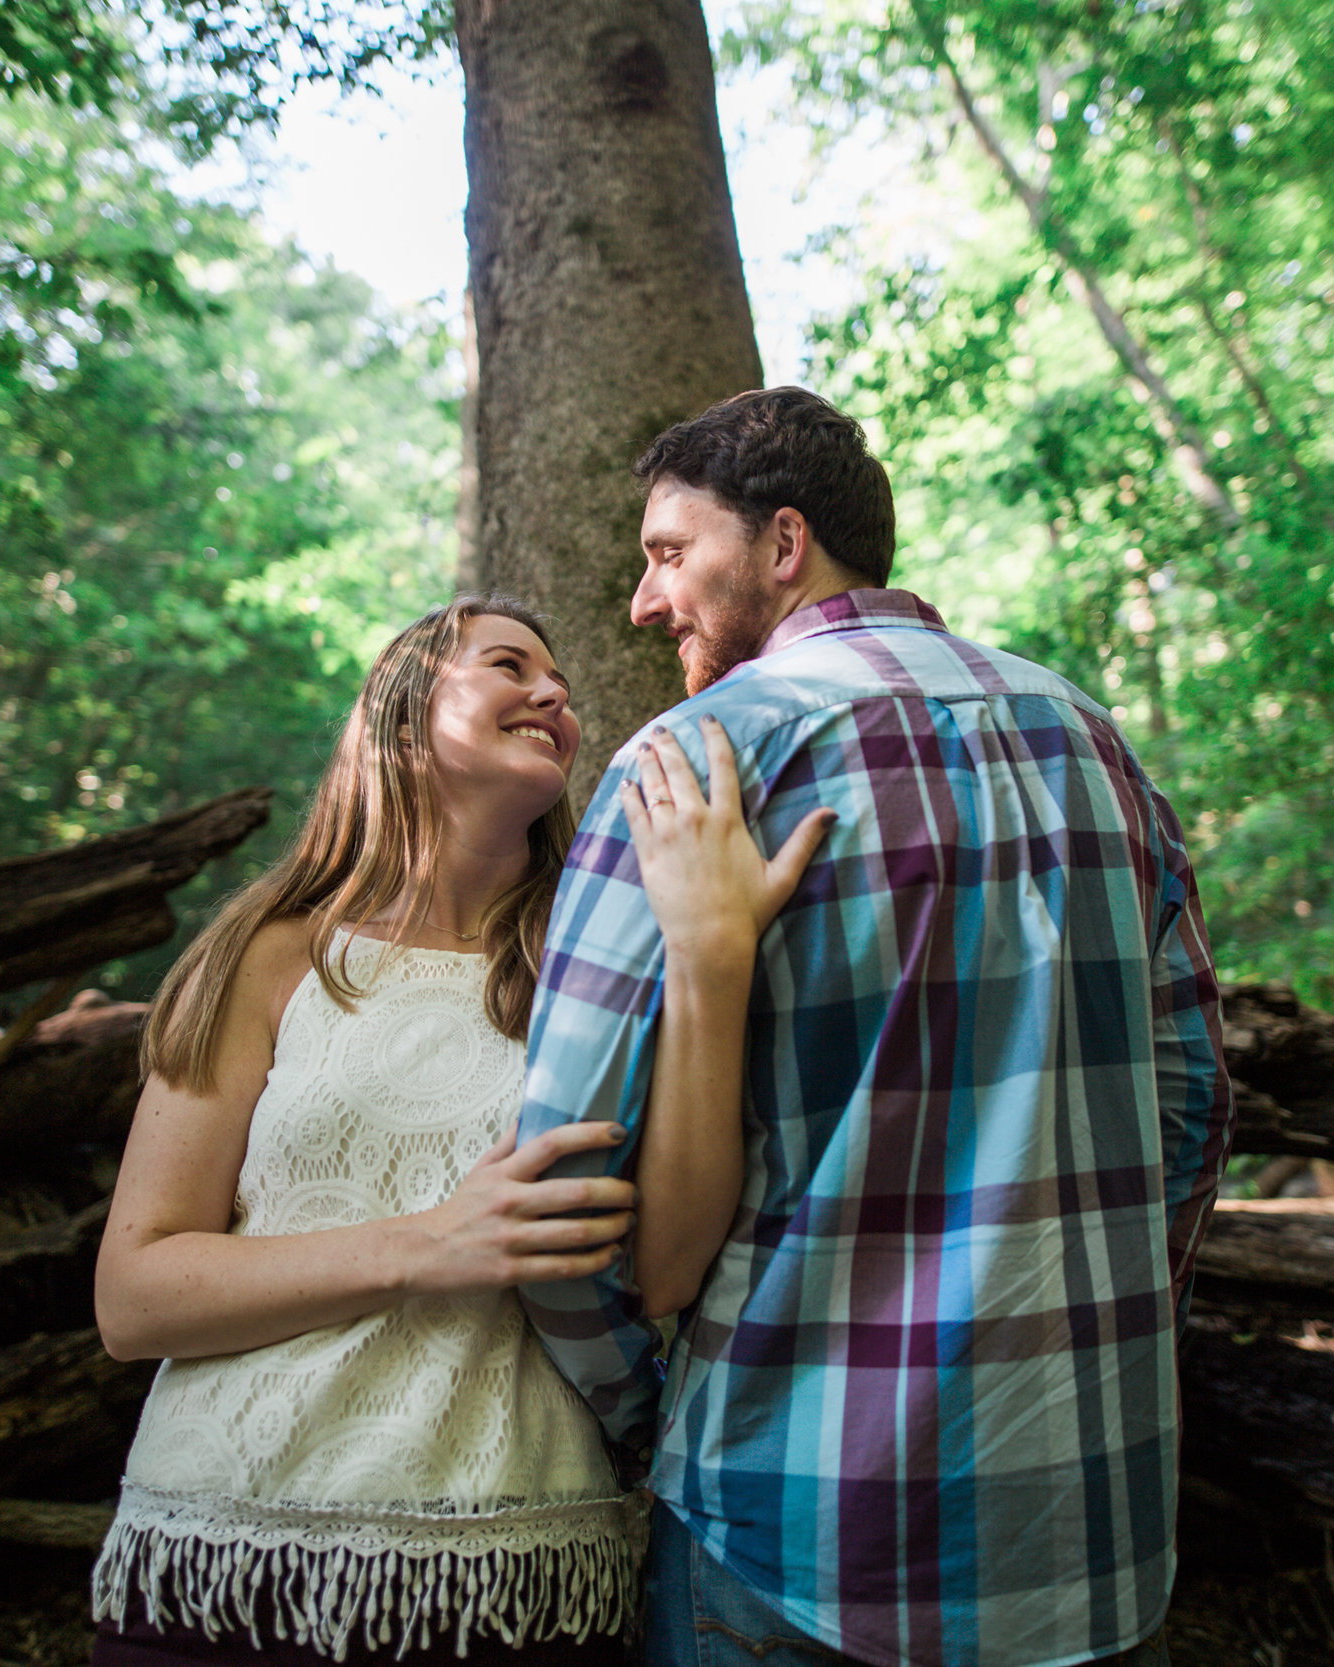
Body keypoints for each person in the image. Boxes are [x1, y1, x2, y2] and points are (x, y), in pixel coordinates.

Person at [515, 388, 1237, 1667]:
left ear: (782, 546)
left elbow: (563, 1179)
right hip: (1089, 1531)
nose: (643, 599)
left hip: (792, 1530)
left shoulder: (693, 766)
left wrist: (654, 1420)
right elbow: (1190, 1107)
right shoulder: (1094, 740)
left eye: (670, 554)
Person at [86, 596, 828, 1666]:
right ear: (397, 720)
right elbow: (133, 1294)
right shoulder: (265, 952)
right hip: (226, 1570)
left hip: (518, 1582)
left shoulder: (608, 969)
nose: (554, 691)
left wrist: (710, 960)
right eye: (508, 663)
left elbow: (664, 1269)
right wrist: (430, 1242)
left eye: (559, 678)